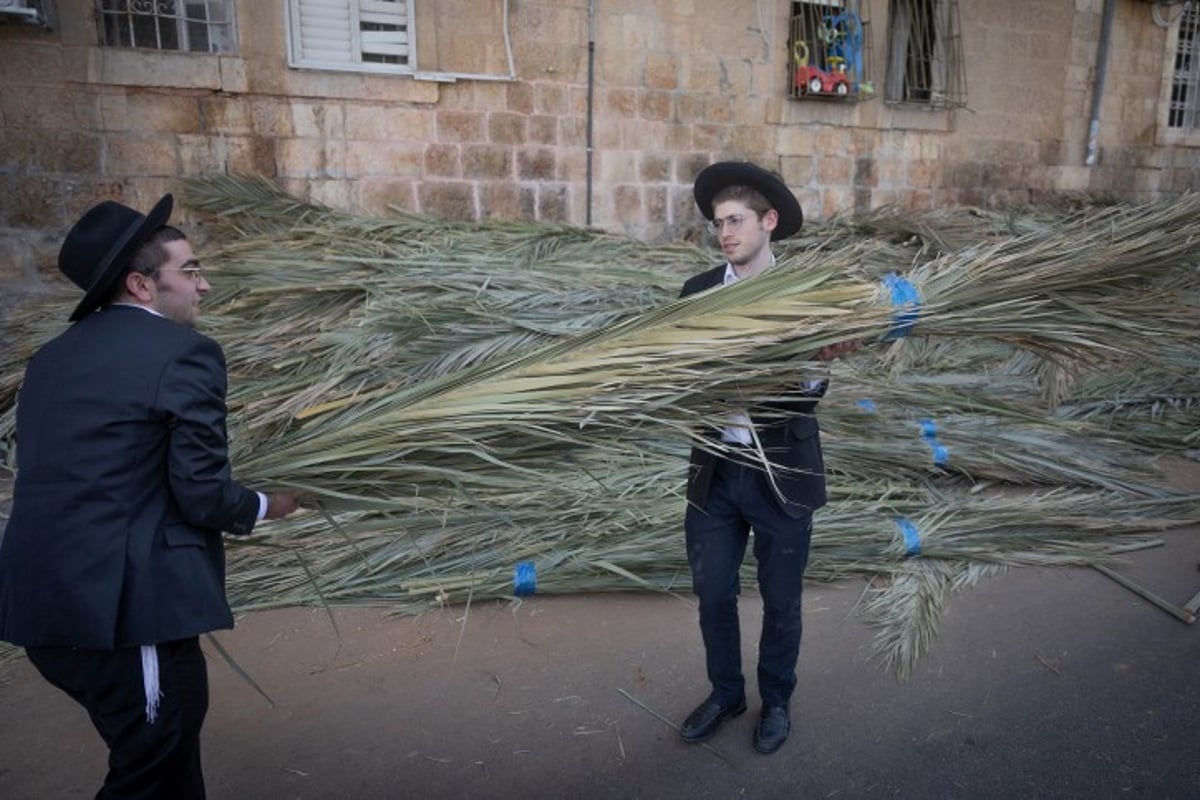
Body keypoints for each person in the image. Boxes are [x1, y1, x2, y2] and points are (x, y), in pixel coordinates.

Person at [0, 194, 303, 798]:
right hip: (122, 616)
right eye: (189, 271)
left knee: (166, 765)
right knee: (150, 771)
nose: (204, 285)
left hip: (41, 604)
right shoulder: (185, 353)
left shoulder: (51, 360)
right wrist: (269, 504)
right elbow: (202, 494)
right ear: (141, 284)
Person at [677, 161, 851, 755]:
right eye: (719, 223)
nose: (725, 232)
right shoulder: (695, 295)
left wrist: (814, 363)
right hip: (715, 472)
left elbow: (810, 396)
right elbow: (675, 376)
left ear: (768, 222)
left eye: (737, 221)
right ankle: (726, 693)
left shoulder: (807, 299)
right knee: (714, 592)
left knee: (781, 601)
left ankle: (776, 701)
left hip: (782, 473)